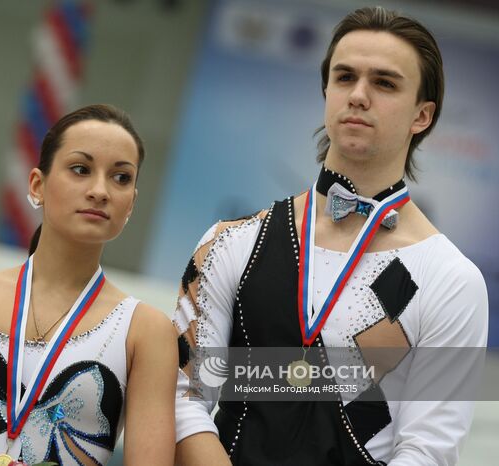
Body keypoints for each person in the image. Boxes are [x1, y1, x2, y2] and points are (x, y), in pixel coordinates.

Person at [173, 7, 488, 466]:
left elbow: (428, 452)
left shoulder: (451, 279)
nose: (359, 95)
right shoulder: (229, 243)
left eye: (384, 83)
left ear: (422, 116)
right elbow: (183, 398)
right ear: (327, 91)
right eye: (345, 77)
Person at [0, 104, 178, 465]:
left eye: (121, 177)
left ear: (132, 204)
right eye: (81, 169)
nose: (100, 190)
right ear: (37, 184)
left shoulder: (147, 331)